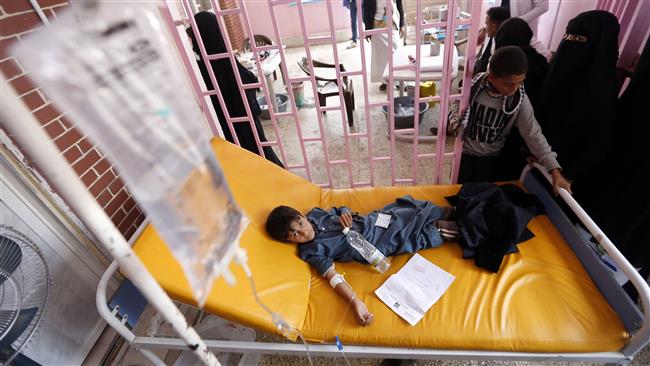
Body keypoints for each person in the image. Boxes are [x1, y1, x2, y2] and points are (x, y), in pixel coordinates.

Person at [265, 196, 457, 326]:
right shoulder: (311, 251)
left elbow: (339, 209)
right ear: (288, 241)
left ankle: (451, 212)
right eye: (295, 234)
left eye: (300, 223)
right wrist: (355, 301)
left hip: (374, 220)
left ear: (302, 215)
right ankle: (443, 230)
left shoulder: (315, 214)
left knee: (407, 209)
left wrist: (345, 214)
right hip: (375, 244)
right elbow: (333, 278)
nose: (304, 231)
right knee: (411, 236)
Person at [453, 46, 571, 195]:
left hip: (490, 160)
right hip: (464, 156)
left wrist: (554, 170)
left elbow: (533, 133)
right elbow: (456, 107)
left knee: (480, 197)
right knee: (458, 193)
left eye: (520, 82)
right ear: (491, 77)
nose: (514, 88)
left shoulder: (519, 100)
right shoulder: (472, 88)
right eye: (508, 83)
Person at [186, 11, 284, 168]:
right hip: (244, 118)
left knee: (240, 161)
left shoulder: (198, 67)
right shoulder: (224, 57)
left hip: (224, 125)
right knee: (260, 155)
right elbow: (250, 80)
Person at [536, 11, 619, 184]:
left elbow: (598, 143)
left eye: (579, 39)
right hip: (536, 160)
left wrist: (570, 174)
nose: (570, 42)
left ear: (602, 44)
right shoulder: (555, 72)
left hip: (567, 181)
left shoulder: (602, 90)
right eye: (567, 36)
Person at [491, 17, 549, 180]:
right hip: (527, 140)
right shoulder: (540, 62)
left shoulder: (507, 70)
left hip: (509, 136)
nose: (514, 87)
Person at [362, 0, 405, 91]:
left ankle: (398, 80)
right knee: (381, 56)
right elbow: (365, 10)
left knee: (395, 53)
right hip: (376, 26)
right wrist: (367, 29)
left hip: (392, 24)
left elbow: (399, 6)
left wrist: (402, 24)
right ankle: (385, 81)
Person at [474, 7, 510, 76]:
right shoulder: (496, 40)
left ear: (493, 27)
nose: (485, 27)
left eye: (486, 24)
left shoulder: (500, 49)